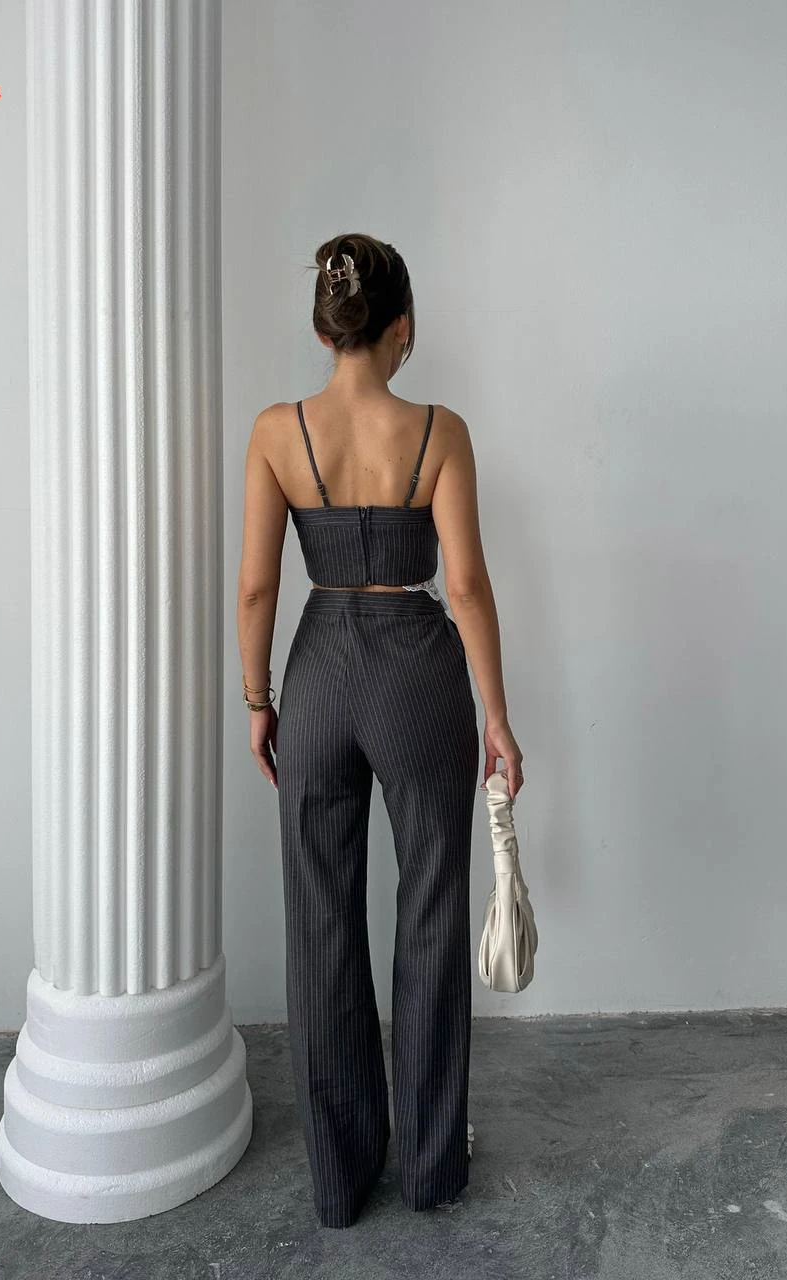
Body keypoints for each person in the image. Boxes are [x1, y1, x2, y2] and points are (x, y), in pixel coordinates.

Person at [236, 232, 524, 1228]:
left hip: (318, 674)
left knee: (320, 922)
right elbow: (468, 585)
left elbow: (257, 587)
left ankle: (341, 1172)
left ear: (324, 329)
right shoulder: (441, 431)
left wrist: (259, 700)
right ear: (402, 327)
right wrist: (498, 716)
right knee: (432, 910)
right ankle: (432, 1165)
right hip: (418, 678)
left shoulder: (277, 431)